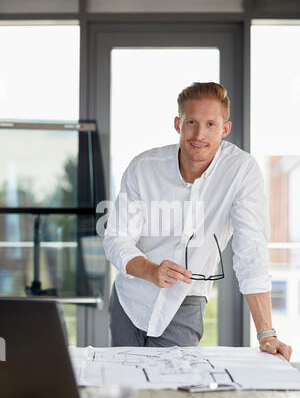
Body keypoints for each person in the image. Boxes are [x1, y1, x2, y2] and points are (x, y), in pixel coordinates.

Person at [103, 82, 292, 361]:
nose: (199, 134)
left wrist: (266, 333)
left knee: (174, 392)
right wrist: (151, 270)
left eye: (211, 124)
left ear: (225, 129)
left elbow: (250, 251)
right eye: (191, 122)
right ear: (178, 123)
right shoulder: (144, 167)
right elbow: (116, 238)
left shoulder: (241, 171)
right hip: (130, 299)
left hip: (186, 301)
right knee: (124, 386)